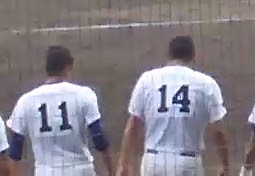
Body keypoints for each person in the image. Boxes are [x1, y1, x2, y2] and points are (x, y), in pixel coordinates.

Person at [118, 36, 230, 176]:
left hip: (153, 162)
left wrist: (124, 163)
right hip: (187, 163)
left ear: (169, 55)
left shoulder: (148, 79)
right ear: (193, 56)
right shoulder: (206, 83)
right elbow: (218, 131)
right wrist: (225, 164)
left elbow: (133, 125)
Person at [8, 46, 114, 176]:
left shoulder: (26, 101)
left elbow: (15, 150)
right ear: (69, 65)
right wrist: (112, 172)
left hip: (46, 172)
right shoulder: (84, 94)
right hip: (80, 170)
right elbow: (98, 138)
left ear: (47, 68)